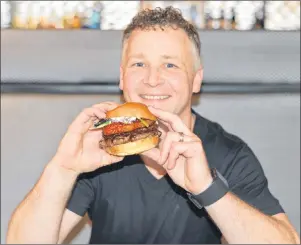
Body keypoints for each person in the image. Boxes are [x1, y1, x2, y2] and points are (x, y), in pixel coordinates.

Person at [6, 7, 300, 244]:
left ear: (196, 79)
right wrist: (63, 168)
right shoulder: (99, 147)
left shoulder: (228, 153)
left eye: (170, 65)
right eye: (139, 64)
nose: (152, 79)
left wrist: (206, 189)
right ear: (122, 79)